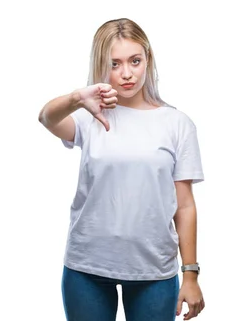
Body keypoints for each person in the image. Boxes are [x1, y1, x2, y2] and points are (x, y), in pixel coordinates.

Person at [38, 18, 205, 321]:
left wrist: (190, 274)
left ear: (147, 60)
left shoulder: (177, 124)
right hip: (87, 267)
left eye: (134, 61)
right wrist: (78, 98)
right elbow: (47, 119)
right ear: (102, 65)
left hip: (154, 270)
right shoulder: (90, 117)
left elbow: (185, 205)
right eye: (114, 64)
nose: (126, 73)